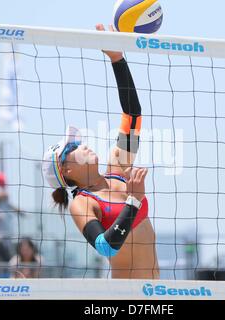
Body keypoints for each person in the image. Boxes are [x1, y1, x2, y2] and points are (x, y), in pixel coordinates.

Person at [42, 24, 159, 279]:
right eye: (71, 148)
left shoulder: (117, 168)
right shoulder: (82, 203)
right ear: (67, 170)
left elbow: (133, 116)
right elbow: (105, 245)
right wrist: (134, 201)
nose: (80, 144)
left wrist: (117, 59)